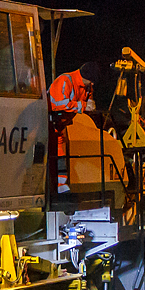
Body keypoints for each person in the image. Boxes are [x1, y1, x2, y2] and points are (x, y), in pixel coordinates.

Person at [48, 61, 101, 193]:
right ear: (85, 76)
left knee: (61, 155)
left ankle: (61, 187)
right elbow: (57, 104)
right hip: (48, 126)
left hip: (60, 127)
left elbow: (87, 102)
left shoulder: (87, 86)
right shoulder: (65, 80)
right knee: (53, 156)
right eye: (91, 81)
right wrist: (83, 106)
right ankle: (55, 188)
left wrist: (89, 105)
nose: (92, 84)